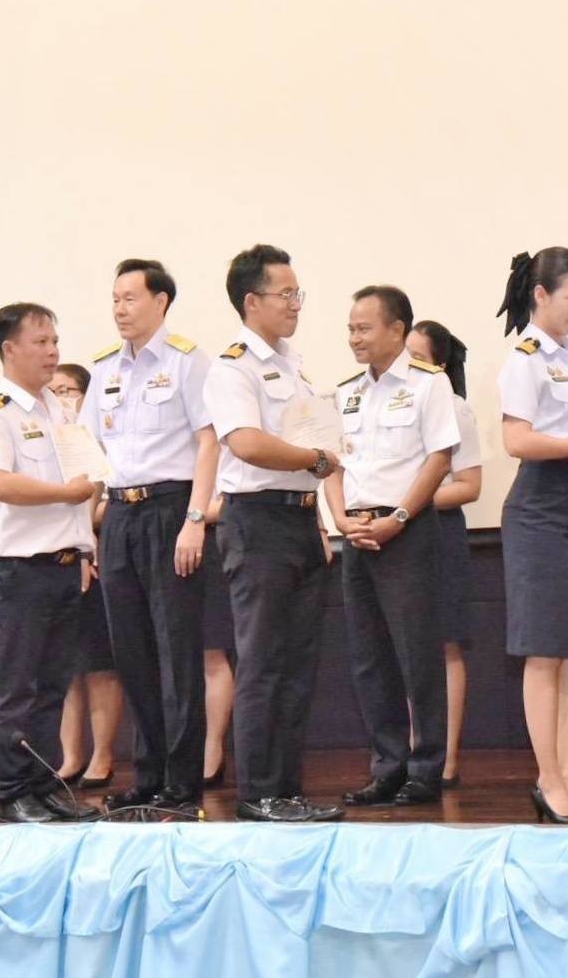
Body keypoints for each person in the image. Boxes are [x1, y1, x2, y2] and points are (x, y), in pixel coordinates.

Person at [203, 244, 345, 823]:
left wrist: (320, 514)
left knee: (296, 663)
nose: (295, 304)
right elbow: (246, 443)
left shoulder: (294, 365)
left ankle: (287, 789)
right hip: (257, 522)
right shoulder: (232, 368)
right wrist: (317, 459)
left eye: (297, 293)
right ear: (251, 301)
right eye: (285, 294)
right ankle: (259, 792)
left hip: (299, 519)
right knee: (262, 661)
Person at [80, 259, 218, 811]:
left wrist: (195, 519)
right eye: (115, 298)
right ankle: (149, 773)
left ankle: (182, 781)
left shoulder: (188, 361)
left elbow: (209, 442)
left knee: (176, 651)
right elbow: (91, 454)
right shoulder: (104, 369)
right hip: (118, 514)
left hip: (169, 512)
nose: (120, 309)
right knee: (131, 651)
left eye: (130, 298)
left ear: (161, 302)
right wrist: (84, 533)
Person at [0, 303, 101, 823]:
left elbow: (88, 473)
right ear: (9, 349)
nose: (52, 352)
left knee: (53, 686)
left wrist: (84, 544)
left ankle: (45, 786)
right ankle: (15, 792)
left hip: (64, 565)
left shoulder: (60, 410)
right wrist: (64, 494)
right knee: (16, 687)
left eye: (55, 341)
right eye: (40, 342)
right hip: (20, 570)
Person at [325, 286, 458, 807]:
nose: (353, 338)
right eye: (350, 328)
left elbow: (440, 458)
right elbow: (330, 463)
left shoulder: (428, 383)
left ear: (397, 330)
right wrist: (339, 518)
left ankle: (425, 767)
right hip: (357, 533)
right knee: (369, 657)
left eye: (364, 328)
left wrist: (400, 516)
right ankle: (387, 765)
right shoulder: (346, 392)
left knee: (416, 654)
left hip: (406, 530)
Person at [496, 247, 568, 824]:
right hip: (540, 510)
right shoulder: (525, 359)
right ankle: (547, 777)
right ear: (541, 295)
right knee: (545, 653)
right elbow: (516, 441)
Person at [405, 321, 482, 787]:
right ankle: (410, 756)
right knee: (405, 648)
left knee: (444, 643)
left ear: (439, 364)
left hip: (437, 532)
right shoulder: (384, 400)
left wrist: (407, 503)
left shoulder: (454, 407)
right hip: (394, 535)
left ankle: (446, 759)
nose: (408, 366)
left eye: (417, 358)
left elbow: (469, 486)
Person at [49, 363, 126, 789]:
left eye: (68, 390)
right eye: (53, 390)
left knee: (98, 663)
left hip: (96, 555)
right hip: (53, 558)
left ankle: (102, 755)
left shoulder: (103, 439)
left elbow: (116, 498)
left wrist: (84, 522)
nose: (59, 398)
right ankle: (70, 756)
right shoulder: (44, 442)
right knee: (65, 668)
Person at [200, 493, 235, 787]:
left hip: (209, 543)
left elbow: (227, 503)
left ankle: (212, 747)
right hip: (162, 541)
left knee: (211, 651)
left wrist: (188, 514)